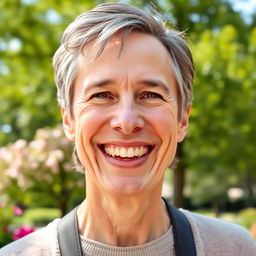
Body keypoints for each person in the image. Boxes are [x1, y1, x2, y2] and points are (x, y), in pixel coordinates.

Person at [1, 2, 255, 256]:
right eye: (101, 95)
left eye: (150, 94)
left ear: (182, 120)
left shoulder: (234, 249)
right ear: (68, 119)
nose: (126, 121)